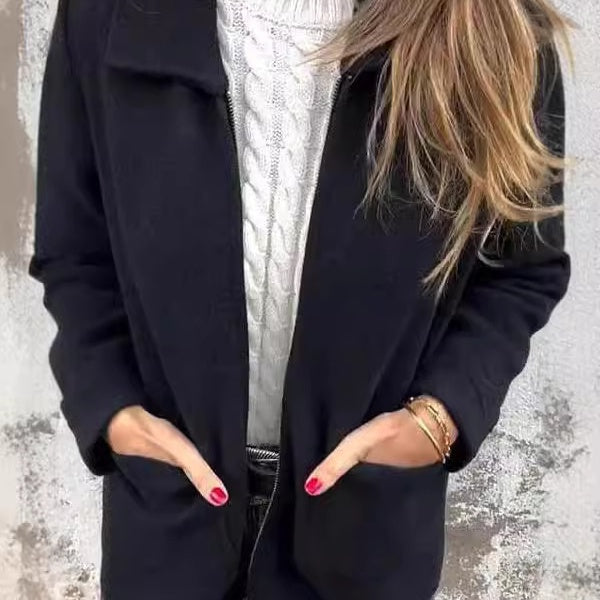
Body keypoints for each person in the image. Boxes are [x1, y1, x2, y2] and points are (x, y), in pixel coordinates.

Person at [28, 0, 573, 598]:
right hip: (166, 529)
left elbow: (520, 271)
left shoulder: (494, 24)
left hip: (363, 537)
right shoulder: (108, 14)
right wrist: (110, 410)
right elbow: (76, 253)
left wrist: (440, 418)